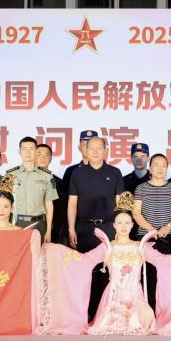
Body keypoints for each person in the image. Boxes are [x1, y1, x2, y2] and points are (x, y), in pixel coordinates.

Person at [68, 136, 124, 319]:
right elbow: (72, 204)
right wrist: (71, 229)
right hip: (84, 229)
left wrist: (120, 231)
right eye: (90, 147)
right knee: (84, 273)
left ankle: (106, 315)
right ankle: (86, 316)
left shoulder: (115, 173)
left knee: (108, 272)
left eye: (99, 148)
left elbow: (120, 205)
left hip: (108, 229)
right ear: (85, 149)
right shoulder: (77, 173)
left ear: (105, 150)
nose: (94, 151)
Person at [87, 193, 156, 336]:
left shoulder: (141, 246)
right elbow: (84, 260)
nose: (123, 226)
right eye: (119, 223)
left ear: (132, 224)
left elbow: (164, 261)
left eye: (127, 222)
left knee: (145, 316)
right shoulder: (107, 246)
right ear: (114, 225)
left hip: (135, 297)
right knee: (110, 320)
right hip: (114, 298)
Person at [5, 136, 56, 239]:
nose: (28, 152)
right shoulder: (10, 174)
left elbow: (49, 205)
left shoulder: (46, 175)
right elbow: (4, 202)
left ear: (36, 151)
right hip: (16, 223)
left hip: (39, 224)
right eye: (24, 149)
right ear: (19, 151)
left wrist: (48, 231)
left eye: (31, 149)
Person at [133, 154, 171, 254]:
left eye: (163, 165)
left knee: (169, 263)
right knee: (146, 263)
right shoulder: (141, 188)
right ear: (150, 168)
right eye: (156, 165)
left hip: (169, 236)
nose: (160, 169)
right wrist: (150, 228)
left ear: (167, 168)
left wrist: (168, 227)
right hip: (146, 236)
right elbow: (136, 213)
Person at [37, 143, 68, 245]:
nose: (43, 158)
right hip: (31, 224)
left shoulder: (58, 182)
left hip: (54, 229)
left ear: (51, 159)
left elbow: (62, 209)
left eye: (46, 155)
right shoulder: (25, 179)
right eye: (39, 154)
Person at [61, 129, 96, 194]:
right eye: (85, 144)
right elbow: (64, 195)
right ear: (79, 147)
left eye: (91, 144)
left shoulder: (109, 171)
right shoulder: (71, 171)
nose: (88, 147)